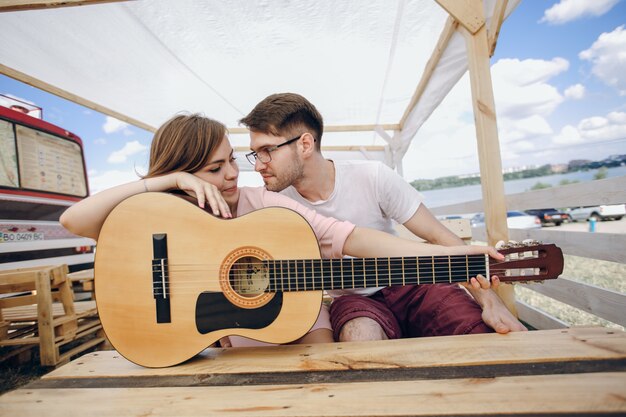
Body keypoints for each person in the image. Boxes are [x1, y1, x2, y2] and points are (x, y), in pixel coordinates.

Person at [60, 113, 502, 347]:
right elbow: (73, 220)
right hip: (211, 334)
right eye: (216, 169)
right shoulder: (156, 212)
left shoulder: (261, 204)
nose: (234, 174)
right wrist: (167, 182)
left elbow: (345, 236)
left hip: (284, 322)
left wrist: (451, 257)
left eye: (233, 160)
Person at [239, 93, 527, 342]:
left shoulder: (372, 177)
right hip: (353, 301)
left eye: (267, 151)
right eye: (255, 154)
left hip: (415, 284)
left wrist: (491, 303)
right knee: (359, 339)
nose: (259, 165)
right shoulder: (271, 204)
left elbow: (438, 236)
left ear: (304, 144)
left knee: (477, 333)